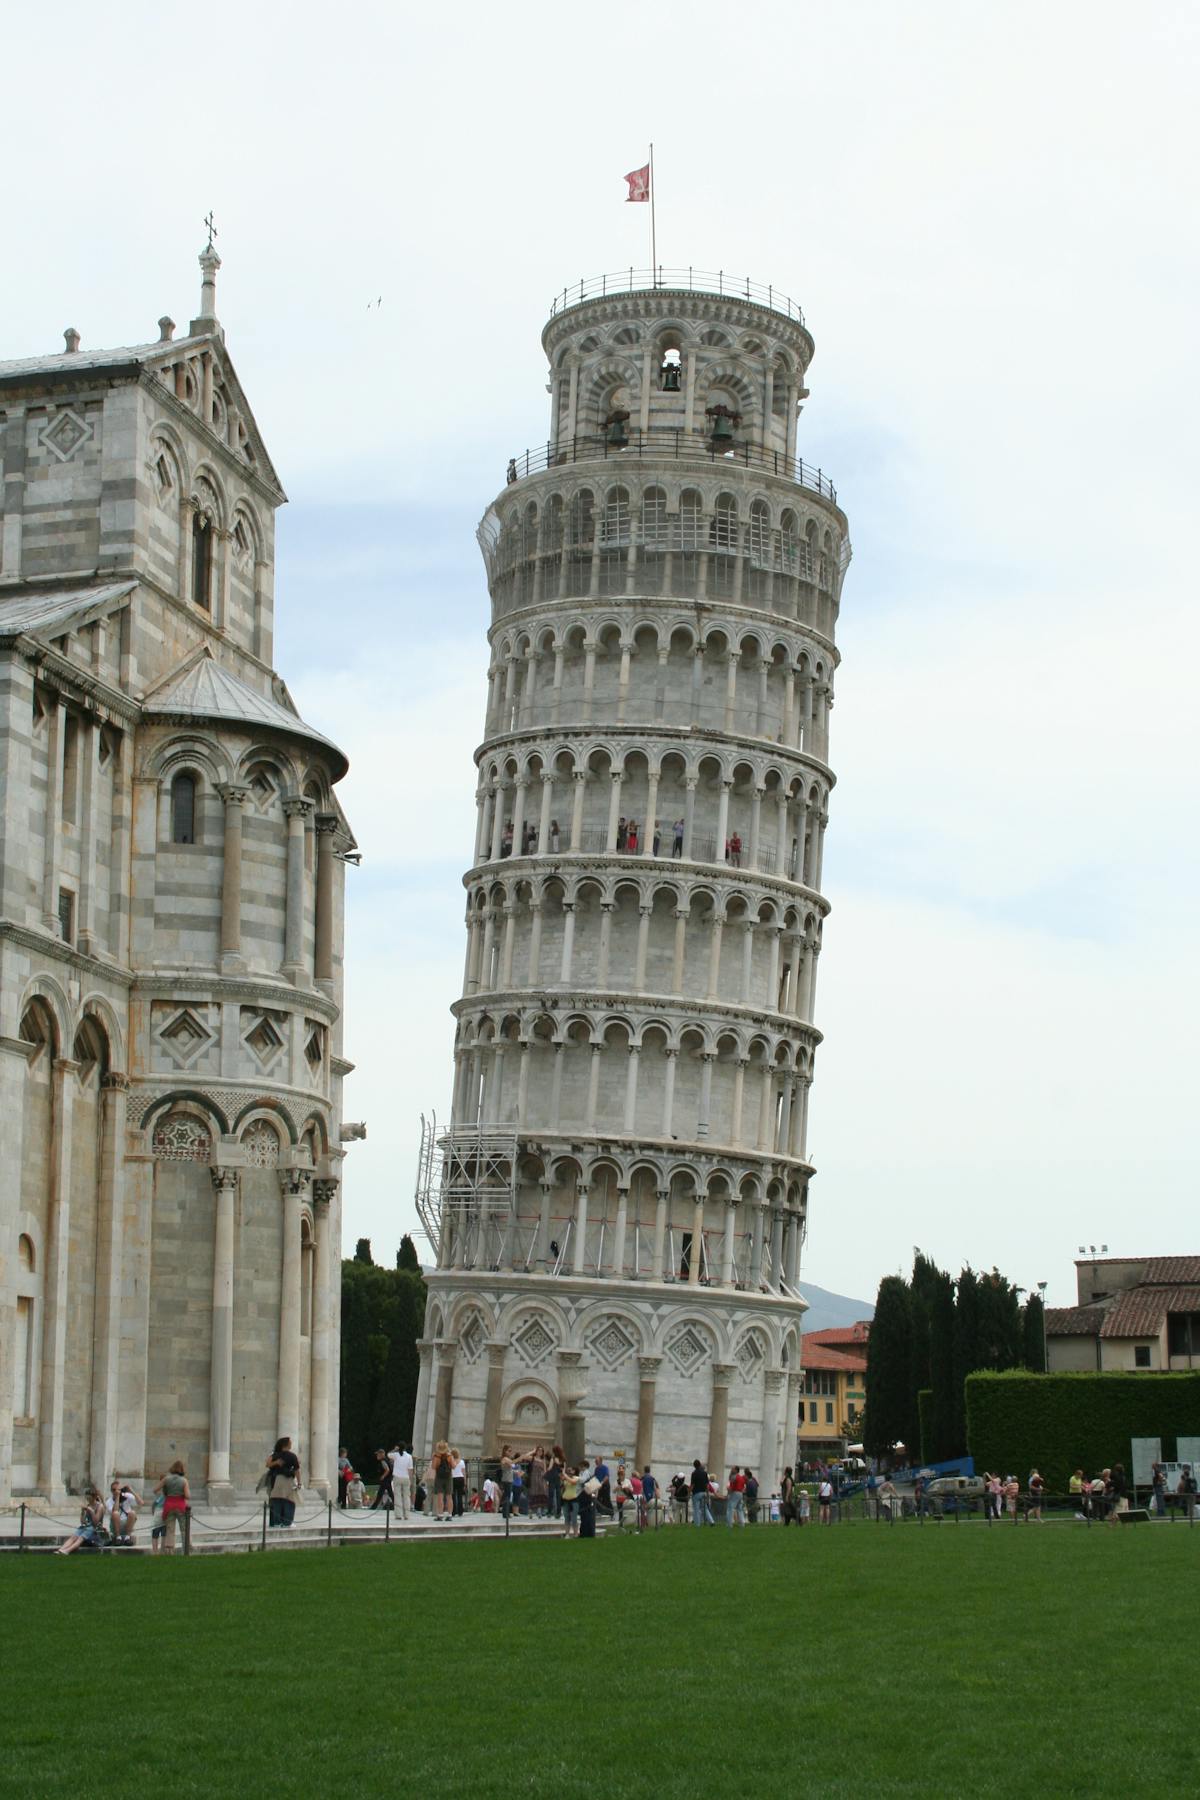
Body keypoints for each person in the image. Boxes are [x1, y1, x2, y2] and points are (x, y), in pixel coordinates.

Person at [56, 1490, 105, 1556]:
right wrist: (82, 1513)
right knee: (73, 1537)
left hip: (94, 1528)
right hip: (87, 1527)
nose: (88, 1499)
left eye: (89, 1498)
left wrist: (91, 1511)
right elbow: (83, 1522)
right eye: (87, 1498)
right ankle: (61, 1549)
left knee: (80, 1538)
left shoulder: (100, 1506)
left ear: (94, 1497)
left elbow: (95, 1523)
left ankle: (67, 1550)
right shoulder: (88, 1505)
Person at [155, 1461, 190, 1554]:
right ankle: (185, 1550)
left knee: (170, 1529)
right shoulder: (184, 1480)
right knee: (184, 1529)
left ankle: (169, 1550)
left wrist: (167, 1493)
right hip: (180, 1505)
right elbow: (187, 1496)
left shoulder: (166, 1479)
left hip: (169, 1505)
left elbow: (155, 1489)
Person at [266, 1436, 300, 1528]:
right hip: (287, 1480)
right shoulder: (292, 1456)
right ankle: (287, 1522)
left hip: (277, 1479)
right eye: (290, 1442)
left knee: (277, 1501)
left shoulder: (275, 1455)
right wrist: (299, 1482)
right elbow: (297, 1470)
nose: (291, 1444)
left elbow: (268, 1464)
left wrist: (276, 1462)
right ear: (286, 1444)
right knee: (289, 1501)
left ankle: (276, 1522)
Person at [105, 1480, 141, 1545]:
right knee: (116, 1513)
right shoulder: (109, 1501)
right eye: (113, 1490)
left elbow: (141, 1503)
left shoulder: (126, 1496)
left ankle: (127, 1538)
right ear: (111, 1491)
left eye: (118, 1489)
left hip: (127, 1525)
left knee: (132, 1513)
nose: (116, 1491)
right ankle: (118, 1538)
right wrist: (117, 1497)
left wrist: (131, 1490)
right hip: (116, 1526)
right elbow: (115, 1511)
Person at [430, 1439, 454, 1518]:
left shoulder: (436, 1456)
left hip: (439, 1477)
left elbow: (433, 1467)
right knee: (449, 1496)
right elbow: (453, 1466)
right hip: (448, 1477)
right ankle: (450, 1514)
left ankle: (440, 1514)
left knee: (440, 1496)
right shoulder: (449, 1456)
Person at [690, 1460, 712, 1526]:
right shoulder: (704, 1473)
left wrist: (689, 1492)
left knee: (696, 1509)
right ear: (699, 1465)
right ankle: (711, 1521)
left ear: (694, 1466)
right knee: (705, 1508)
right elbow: (707, 1485)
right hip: (703, 1493)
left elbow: (692, 1485)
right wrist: (707, 1493)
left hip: (696, 1493)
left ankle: (697, 1524)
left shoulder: (694, 1473)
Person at [529, 1445, 549, 1516]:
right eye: (539, 1450)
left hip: (542, 1477)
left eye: (541, 1451)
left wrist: (547, 1480)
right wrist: (532, 1451)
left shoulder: (543, 1460)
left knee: (542, 1493)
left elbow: (545, 1470)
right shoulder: (533, 1458)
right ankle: (532, 1510)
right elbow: (525, 1456)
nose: (540, 1452)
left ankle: (540, 1509)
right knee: (534, 1492)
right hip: (534, 1477)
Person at [562, 1466, 581, 1536]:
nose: (569, 1471)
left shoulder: (577, 1478)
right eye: (568, 1470)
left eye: (571, 1470)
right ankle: (567, 1534)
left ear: (575, 1471)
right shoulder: (566, 1478)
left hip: (574, 1500)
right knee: (566, 1518)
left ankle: (576, 1534)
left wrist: (565, 1475)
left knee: (574, 1518)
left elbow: (573, 1482)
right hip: (565, 1500)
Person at [547, 1446, 565, 1519]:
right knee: (558, 1496)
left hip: (552, 1478)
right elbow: (563, 1471)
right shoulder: (563, 1460)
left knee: (551, 1495)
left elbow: (549, 1469)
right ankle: (558, 1512)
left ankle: (550, 1512)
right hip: (559, 1478)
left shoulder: (553, 1459)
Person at [451, 1448, 467, 1517]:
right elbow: (464, 1473)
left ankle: (453, 1511)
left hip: (453, 1478)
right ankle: (460, 1511)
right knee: (460, 1495)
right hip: (460, 1478)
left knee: (453, 1496)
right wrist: (465, 1482)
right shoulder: (462, 1462)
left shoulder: (451, 1461)